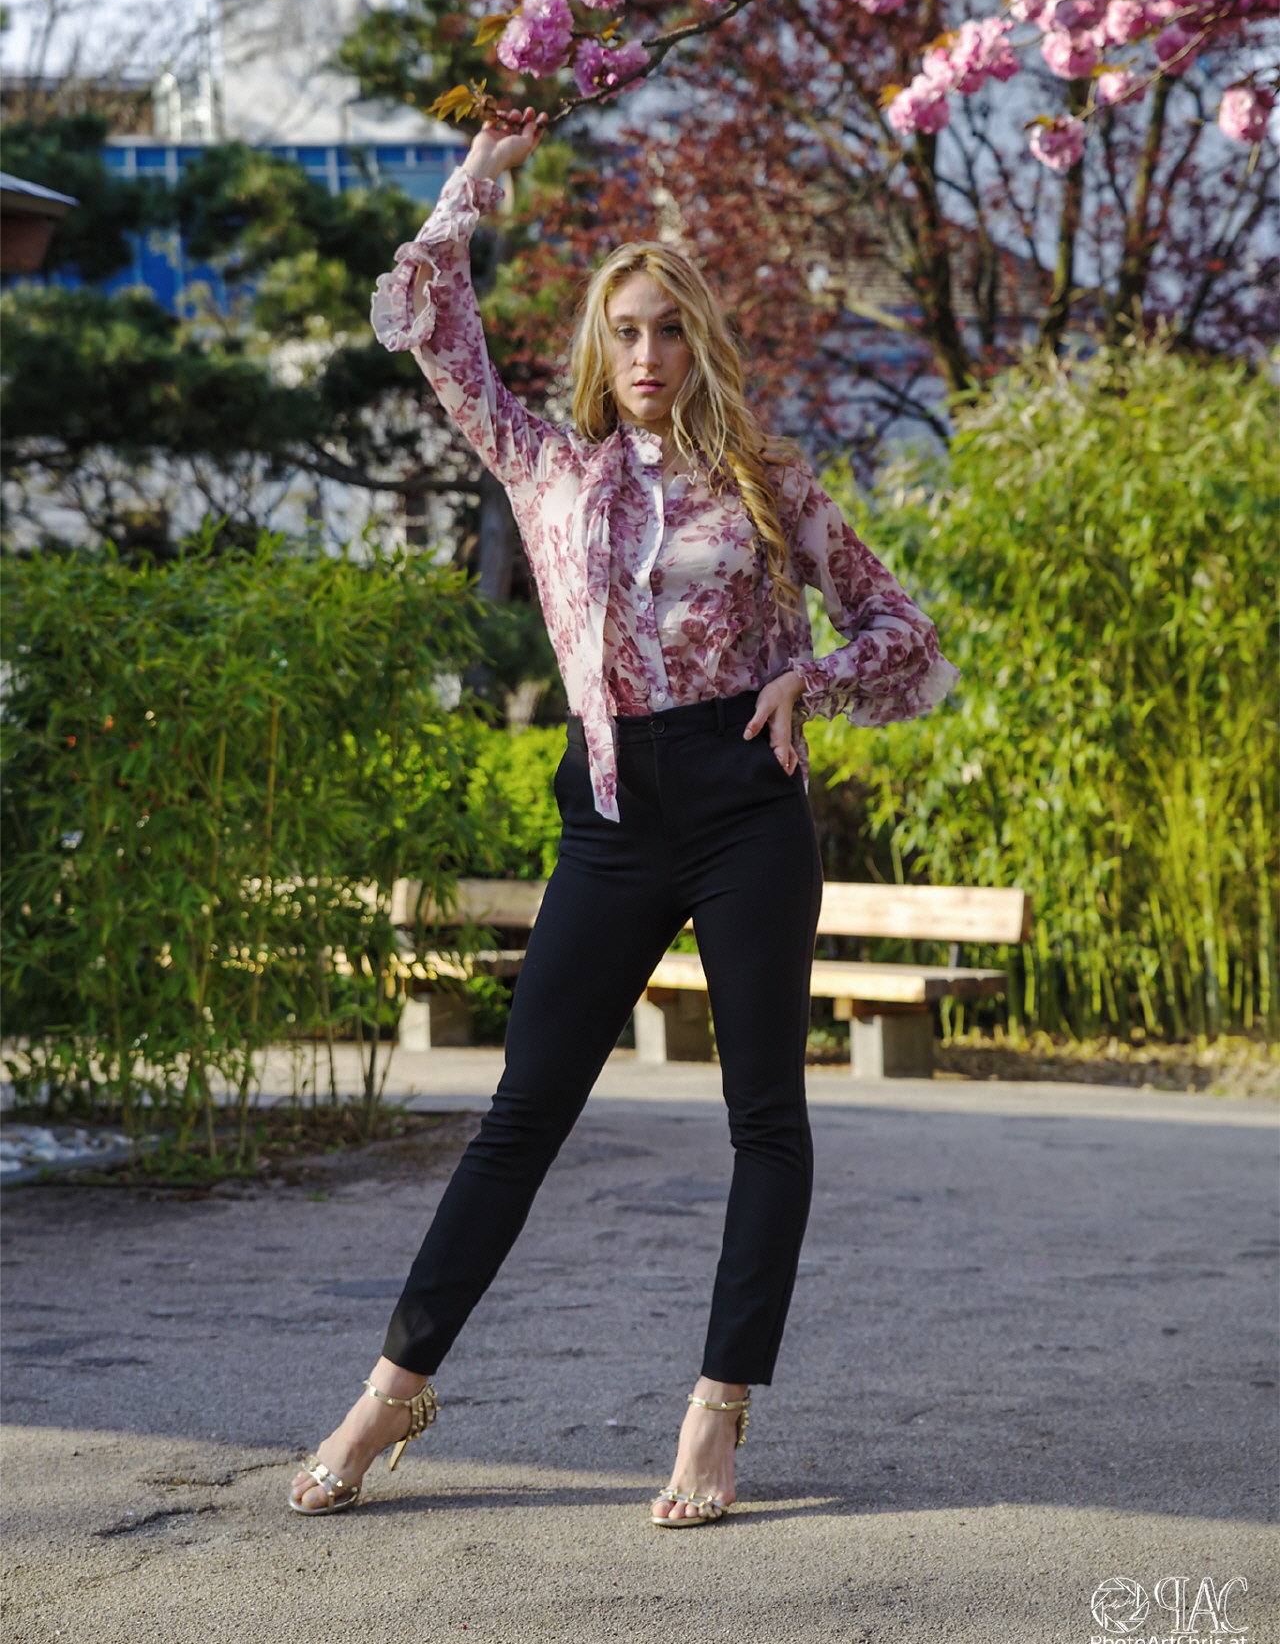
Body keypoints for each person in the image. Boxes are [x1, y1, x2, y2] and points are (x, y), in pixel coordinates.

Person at [288, 108, 958, 1526]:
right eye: (626, 331)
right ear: (601, 346)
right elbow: (438, 335)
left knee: (764, 1115)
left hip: (745, 804)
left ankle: (718, 1412)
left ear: (700, 342)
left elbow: (903, 627)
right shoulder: (547, 466)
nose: (647, 353)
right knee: (521, 1113)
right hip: (608, 812)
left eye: (669, 330)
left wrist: (813, 676)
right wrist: (476, 185)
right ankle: (393, 1391)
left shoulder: (772, 484)